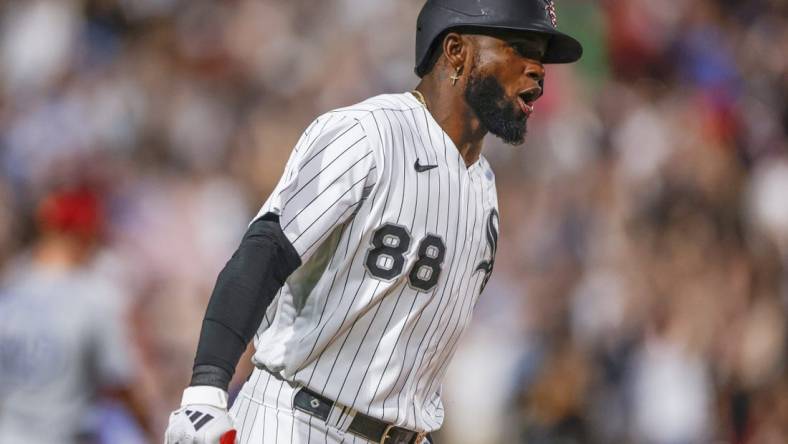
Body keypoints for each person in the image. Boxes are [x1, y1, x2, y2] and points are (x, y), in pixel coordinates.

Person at [164, 0, 583, 442]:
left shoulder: (484, 190)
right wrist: (206, 389)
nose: (537, 69)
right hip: (298, 420)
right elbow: (265, 249)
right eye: (519, 47)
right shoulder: (368, 134)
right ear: (456, 50)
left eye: (541, 55)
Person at [0, 186, 152, 443]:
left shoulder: (10, 285)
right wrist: (149, 427)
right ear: (83, 234)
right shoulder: (94, 295)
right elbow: (120, 381)